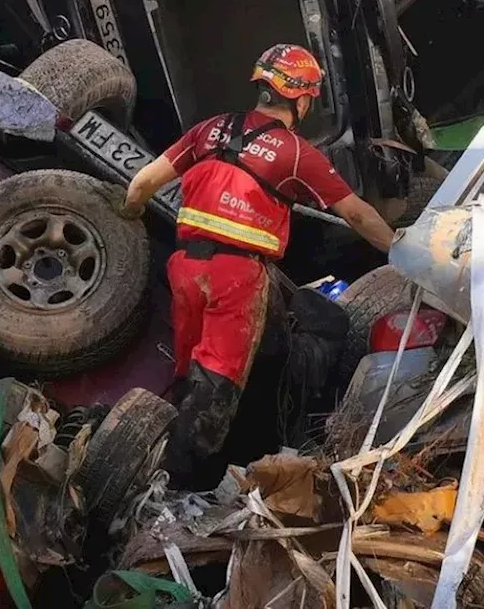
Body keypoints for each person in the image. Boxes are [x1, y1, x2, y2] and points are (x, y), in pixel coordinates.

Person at [122, 43, 396, 485]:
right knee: (217, 384)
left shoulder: (208, 130)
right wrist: (398, 248)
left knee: (189, 372)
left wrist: (131, 217)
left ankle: (152, 459)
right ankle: (178, 488)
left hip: (186, 269)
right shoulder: (295, 153)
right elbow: (357, 214)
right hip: (236, 276)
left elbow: (141, 185)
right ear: (302, 99)